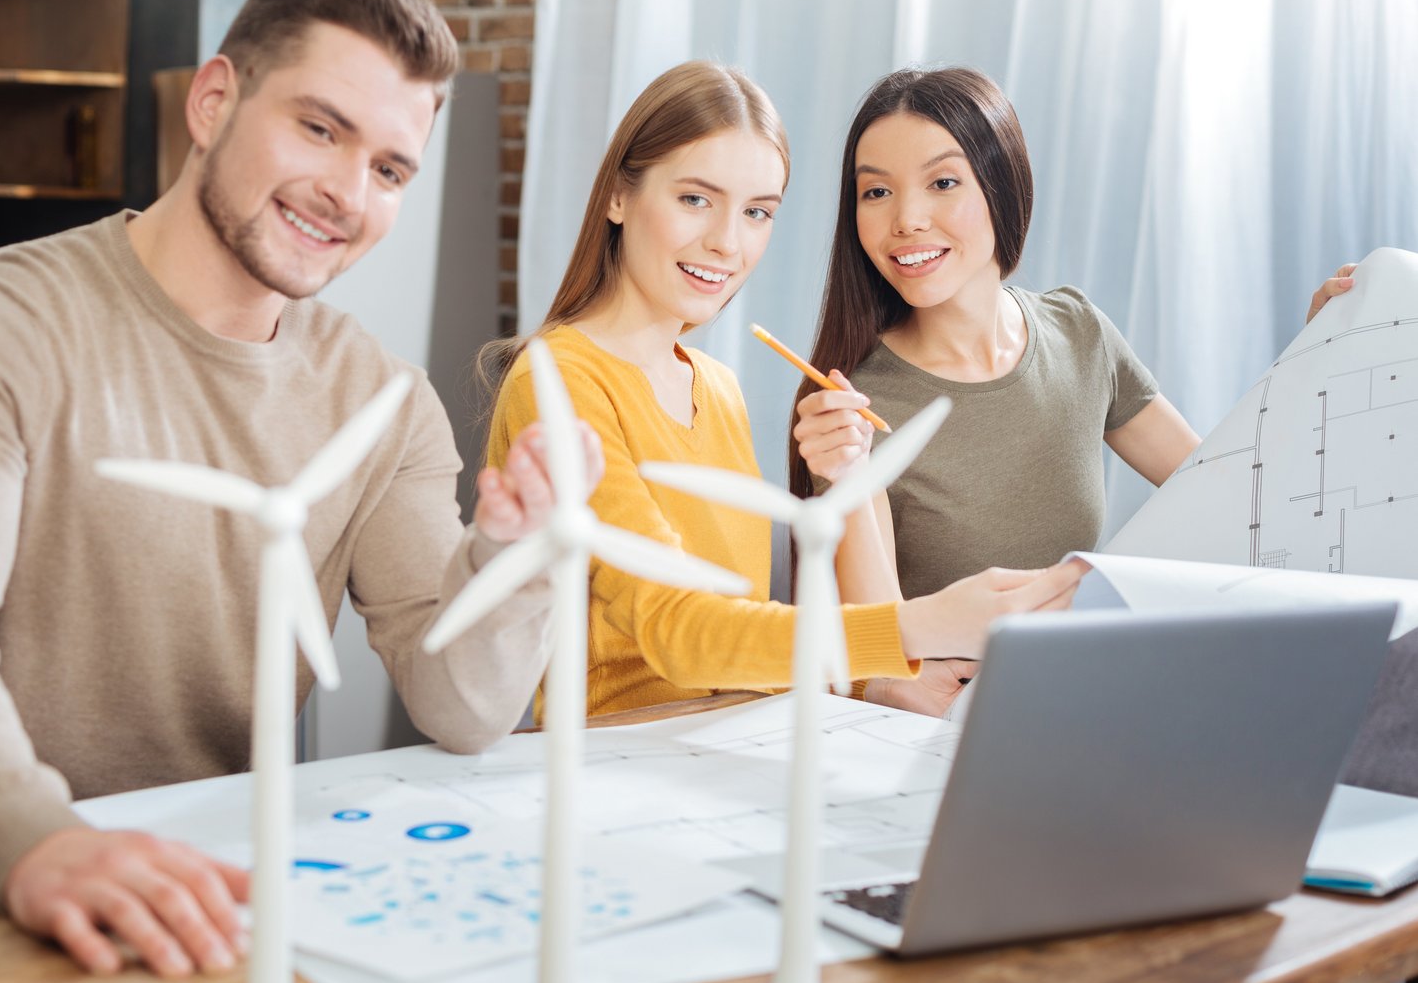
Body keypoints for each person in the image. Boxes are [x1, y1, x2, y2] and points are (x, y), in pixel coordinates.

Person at [0, 0, 596, 981]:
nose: (347, 193)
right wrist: (35, 838)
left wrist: (518, 560)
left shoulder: (385, 403)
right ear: (214, 101)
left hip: (211, 897)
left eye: (390, 169)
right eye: (319, 128)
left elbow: (461, 709)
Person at [484, 61, 1086, 725]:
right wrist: (919, 624)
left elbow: (745, 638)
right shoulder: (560, 379)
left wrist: (880, 682)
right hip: (614, 759)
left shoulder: (718, 388)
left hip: (740, 743)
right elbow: (680, 634)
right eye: (694, 199)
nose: (727, 242)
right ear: (619, 197)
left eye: (757, 212)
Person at [788, 66, 1356, 711]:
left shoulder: (1079, 333)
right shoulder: (856, 408)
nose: (906, 218)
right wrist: (850, 476)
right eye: (875, 193)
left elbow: (1232, 495)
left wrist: (1319, 360)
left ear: (1003, 188)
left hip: (1096, 697)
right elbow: (878, 652)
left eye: (943, 182)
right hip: (954, 727)